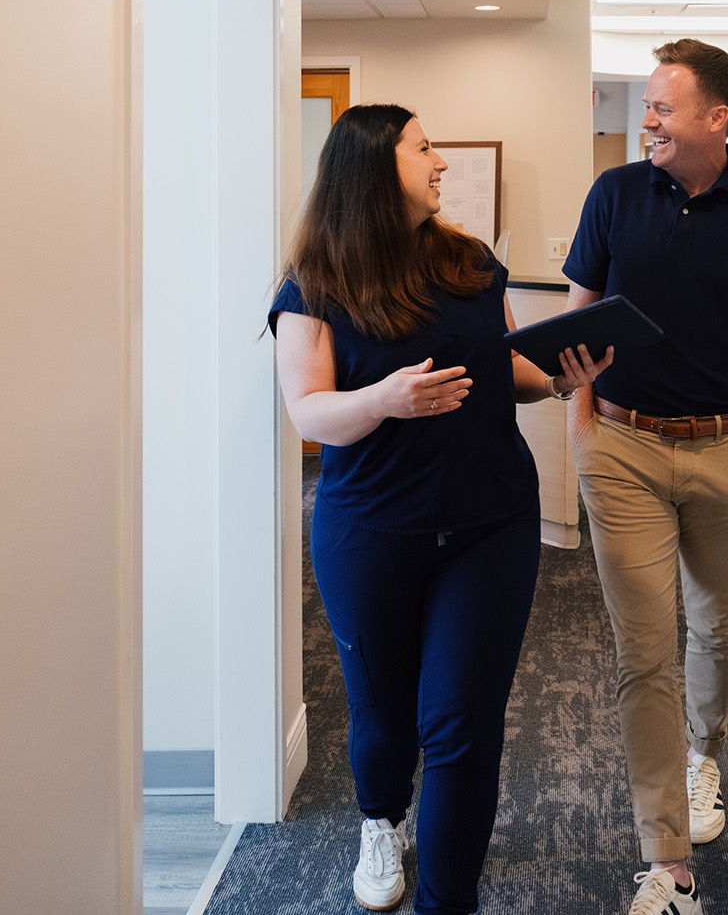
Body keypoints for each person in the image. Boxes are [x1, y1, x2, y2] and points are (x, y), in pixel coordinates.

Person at [269, 104, 608, 915]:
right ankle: (381, 819)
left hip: (489, 525)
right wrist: (383, 399)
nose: (441, 163)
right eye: (423, 149)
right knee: (384, 717)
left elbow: (507, 369)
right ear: (373, 169)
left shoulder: (471, 262)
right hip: (370, 531)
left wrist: (567, 373)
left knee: (462, 726)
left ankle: (447, 902)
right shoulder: (315, 283)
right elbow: (309, 413)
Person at [561, 40, 728, 915]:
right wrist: (582, 427)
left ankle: (706, 757)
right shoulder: (615, 194)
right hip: (623, 449)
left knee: (716, 628)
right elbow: (577, 318)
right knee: (646, 651)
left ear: (719, 118)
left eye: (664, 108)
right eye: (649, 107)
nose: (647, 120)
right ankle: (665, 862)